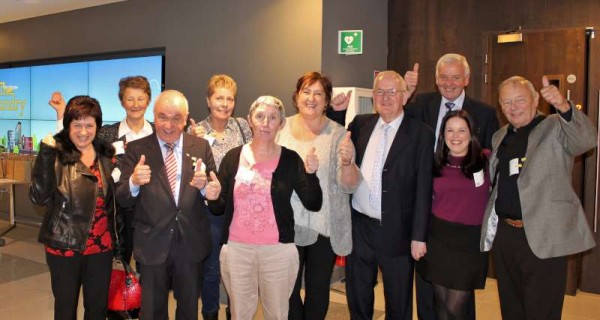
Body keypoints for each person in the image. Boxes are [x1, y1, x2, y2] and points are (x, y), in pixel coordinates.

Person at [480, 76, 597, 319]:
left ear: (535, 99)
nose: (514, 107)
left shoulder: (555, 126)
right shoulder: (500, 135)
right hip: (506, 235)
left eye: (520, 100)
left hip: (544, 235)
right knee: (511, 307)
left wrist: (564, 107)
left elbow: (586, 140)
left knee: (541, 310)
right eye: (507, 103)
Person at [404, 53, 499, 320]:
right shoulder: (420, 104)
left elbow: (495, 164)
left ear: (467, 79)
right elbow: (395, 119)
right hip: (432, 218)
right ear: (435, 80)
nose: (449, 82)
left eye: (455, 77)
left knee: (458, 304)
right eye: (443, 77)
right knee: (430, 298)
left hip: (467, 230)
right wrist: (406, 92)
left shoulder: (485, 113)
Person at [210, 95, 323, 320]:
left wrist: (311, 175)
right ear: (250, 120)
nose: (266, 123)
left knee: (278, 315)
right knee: (240, 314)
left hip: (277, 252)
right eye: (260, 116)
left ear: (281, 124)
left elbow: (313, 203)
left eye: (273, 118)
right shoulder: (233, 158)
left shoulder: (290, 159)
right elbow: (219, 208)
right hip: (238, 250)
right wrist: (213, 197)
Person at [116, 90, 222, 320]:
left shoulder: (201, 146)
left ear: (186, 119)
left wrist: (208, 191)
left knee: (188, 311)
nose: (169, 125)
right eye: (163, 117)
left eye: (177, 118)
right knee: (152, 312)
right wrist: (133, 182)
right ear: (154, 116)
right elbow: (122, 198)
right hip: (152, 243)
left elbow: (215, 198)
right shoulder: (136, 150)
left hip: (191, 244)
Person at [345, 70, 434, 320]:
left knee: (398, 300)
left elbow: (424, 188)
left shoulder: (421, 134)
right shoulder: (360, 124)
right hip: (360, 227)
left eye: (392, 92)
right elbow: (338, 146)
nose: (385, 97)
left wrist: (419, 236)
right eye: (380, 92)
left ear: (405, 97)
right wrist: (336, 112)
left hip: (398, 230)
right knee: (358, 295)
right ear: (373, 96)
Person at [277, 72, 360, 320]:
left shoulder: (338, 134)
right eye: (306, 91)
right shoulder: (280, 128)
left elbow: (348, 186)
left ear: (326, 101)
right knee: (287, 290)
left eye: (318, 93)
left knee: (317, 289)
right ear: (296, 96)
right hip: (286, 225)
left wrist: (347, 163)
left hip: (323, 226)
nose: (311, 98)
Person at [49, 75, 154, 265]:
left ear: (148, 100)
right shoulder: (106, 133)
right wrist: (61, 115)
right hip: (115, 212)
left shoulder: (156, 133)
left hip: (149, 211)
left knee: (149, 269)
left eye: (140, 98)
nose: (135, 104)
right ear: (122, 101)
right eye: (130, 98)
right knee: (117, 270)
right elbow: (76, 145)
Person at [30, 96, 119, 320]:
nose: (83, 131)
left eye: (89, 125)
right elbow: (38, 197)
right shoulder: (56, 153)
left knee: (97, 308)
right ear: (68, 125)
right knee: (66, 309)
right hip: (65, 245)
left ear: (97, 127)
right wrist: (45, 155)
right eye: (77, 124)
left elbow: (113, 201)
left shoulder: (106, 156)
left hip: (101, 247)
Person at [188, 74, 252, 320]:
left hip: (240, 208)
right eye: (219, 98)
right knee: (212, 267)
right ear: (208, 100)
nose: (224, 104)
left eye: (230, 99)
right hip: (211, 209)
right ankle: (211, 313)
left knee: (239, 268)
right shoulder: (197, 130)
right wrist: (197, 143)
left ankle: (234, 312)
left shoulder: (242, 127)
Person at [416, 110, 490, 320]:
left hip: (470, 243)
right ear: (443, 135)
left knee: (455, 308)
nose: (455, 136)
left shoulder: (486, 160)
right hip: (438, 239)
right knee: (440, 305)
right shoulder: (435, 163)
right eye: (450, 130)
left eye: (461, 130)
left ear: (471, 133)